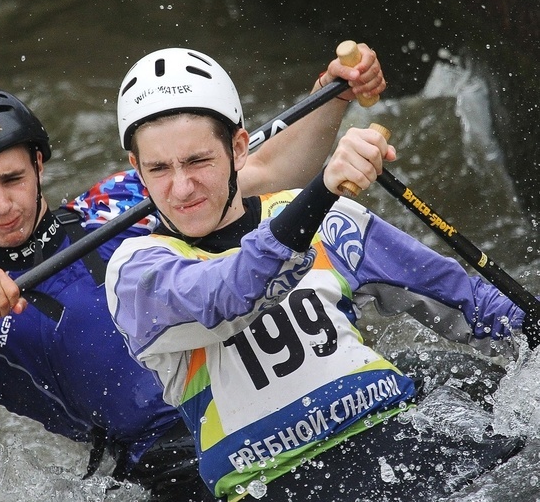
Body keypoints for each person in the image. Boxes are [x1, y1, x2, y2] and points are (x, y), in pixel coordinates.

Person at [0, 45, 385, 501]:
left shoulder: (118, 200)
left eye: (12, 178)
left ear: (38, 165)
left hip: (251, 400)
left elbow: (270, 173)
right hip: (165, 461)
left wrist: (333, 97)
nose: (3, 204)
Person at [105, 47, 527, 501]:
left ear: (239, 148)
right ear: (137, 170)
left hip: (403, 440)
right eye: (159, 169)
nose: (182, 188)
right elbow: (229, 295)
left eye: (197, 161)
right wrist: (321, 188)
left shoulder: (330, 219)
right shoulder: (136, 273)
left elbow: (474, 307)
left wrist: (528, 325)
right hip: (277, 484)